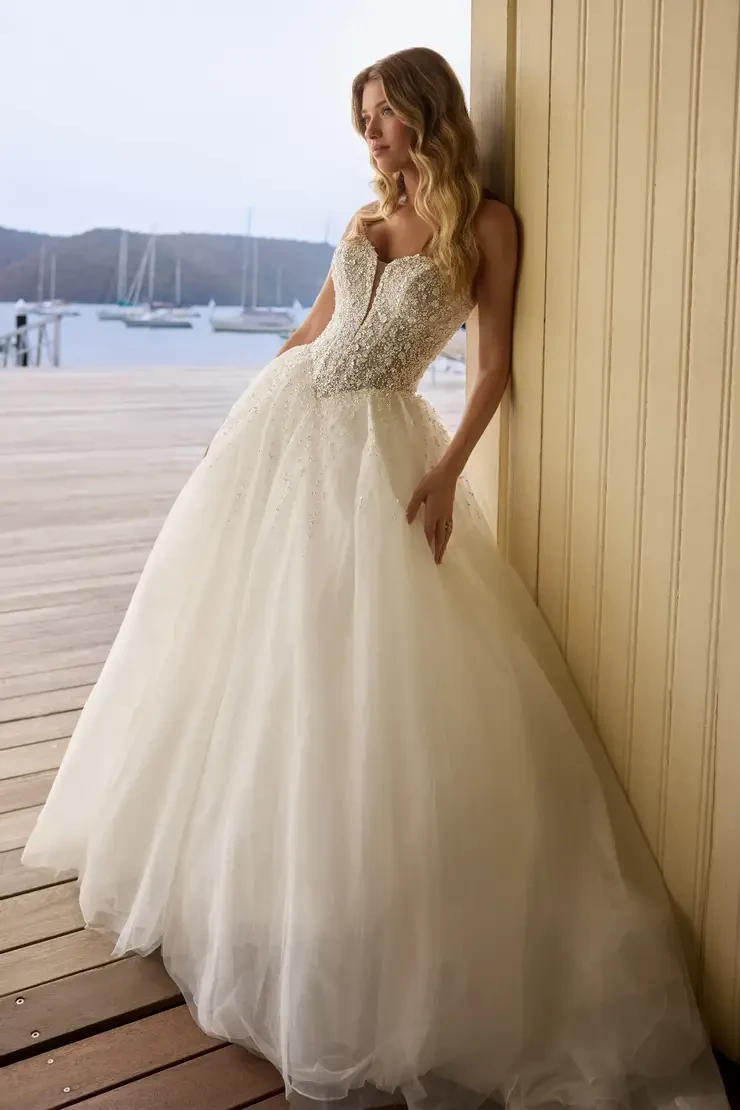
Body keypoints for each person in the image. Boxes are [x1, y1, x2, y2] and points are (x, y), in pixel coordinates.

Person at [21, 46, 730, 1110]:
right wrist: (235, 429)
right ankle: (248, 876)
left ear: (428, 116)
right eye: (362, 117)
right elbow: (311, 333)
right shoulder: (360, 223)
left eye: (386, 114)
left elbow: (492, 367)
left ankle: (351, 901)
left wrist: (447, 475)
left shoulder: (485, 226)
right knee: (257, 651)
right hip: (288, 433)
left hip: (382, 452)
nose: (370, 134)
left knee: (359, 669)